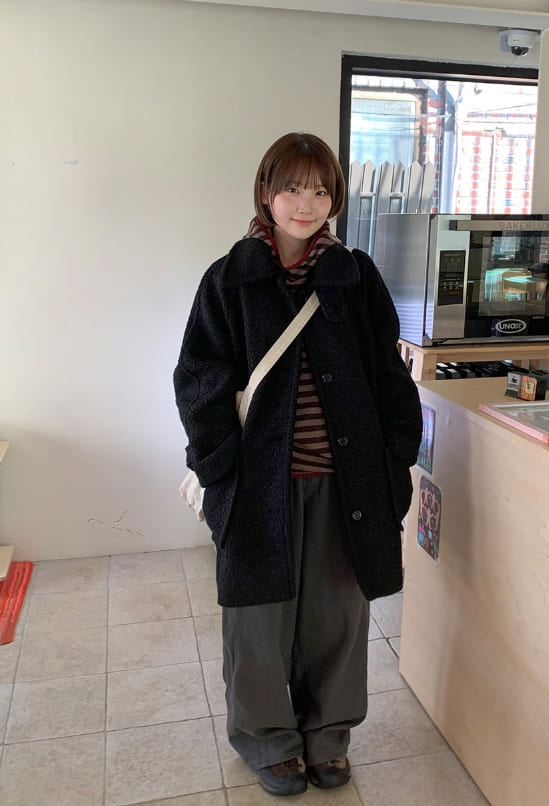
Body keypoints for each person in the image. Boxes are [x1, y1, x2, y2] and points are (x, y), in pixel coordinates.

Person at [173, 132, 422, 798]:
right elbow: (198, 378)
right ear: (266, 192)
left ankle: (328, 737)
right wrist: (221, 469)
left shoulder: (354, 275)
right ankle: (268, 742)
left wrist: (396, 455)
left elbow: (387, 372)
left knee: (336, 618)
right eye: (292, 188)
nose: (305, 204)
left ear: (334, 198)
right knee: (258, 620)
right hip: (261, 487)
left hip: (347, 483)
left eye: (319, 190)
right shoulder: (230, 278)